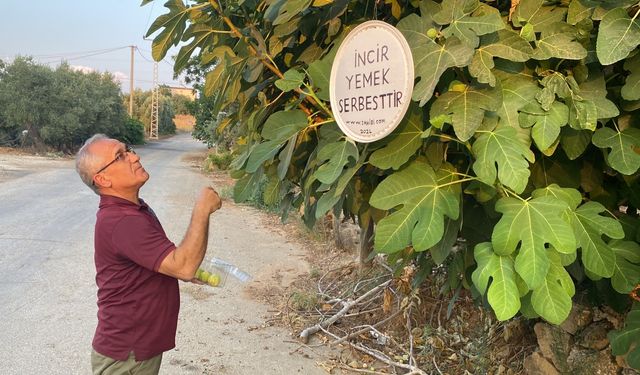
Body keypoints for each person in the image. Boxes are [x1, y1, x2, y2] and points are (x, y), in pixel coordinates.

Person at [75, 134, 222, 374]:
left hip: (135, 348)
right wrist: (202, 209)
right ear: (103, 179)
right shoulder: (123, 220)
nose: (134, 156)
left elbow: (166, 261)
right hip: (127, 355)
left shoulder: (134, 209)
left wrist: (185, 267)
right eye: (120, 157)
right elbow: (182, 266)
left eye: (128, 150)